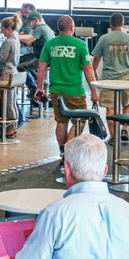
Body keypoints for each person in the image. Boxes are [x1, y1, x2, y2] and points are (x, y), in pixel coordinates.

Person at [34, 16, 99, 163]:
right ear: (72, 27)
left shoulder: (50, 44)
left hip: (56, 90)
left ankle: (63, 151)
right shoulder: (80, 45)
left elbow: (41, 67)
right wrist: (94, 91)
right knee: (81, 121)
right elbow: (88, 70)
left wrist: (39, 87)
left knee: (61, 122)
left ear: (58, 28)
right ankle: (68, 152)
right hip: (75, 90)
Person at [91, 12, 129, 143]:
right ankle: (124, 128)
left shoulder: (104, 38)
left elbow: (96, 59)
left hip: (108, 79)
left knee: (111, 108)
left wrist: (94, 73)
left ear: (110, 23)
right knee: (126, 104)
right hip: (127, 77)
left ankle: (113, 136)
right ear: (123, 23)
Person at [18, 12, 55, 97]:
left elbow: (28, 41)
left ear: (36, 20)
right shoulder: (46, 27)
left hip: (42, 59)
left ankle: (34, 89)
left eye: (29, 22)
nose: (29, 24)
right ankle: (42, 82)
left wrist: (14, 36)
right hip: (47, 57)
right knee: (19, 60)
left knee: (20, 66)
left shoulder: (39, 28)